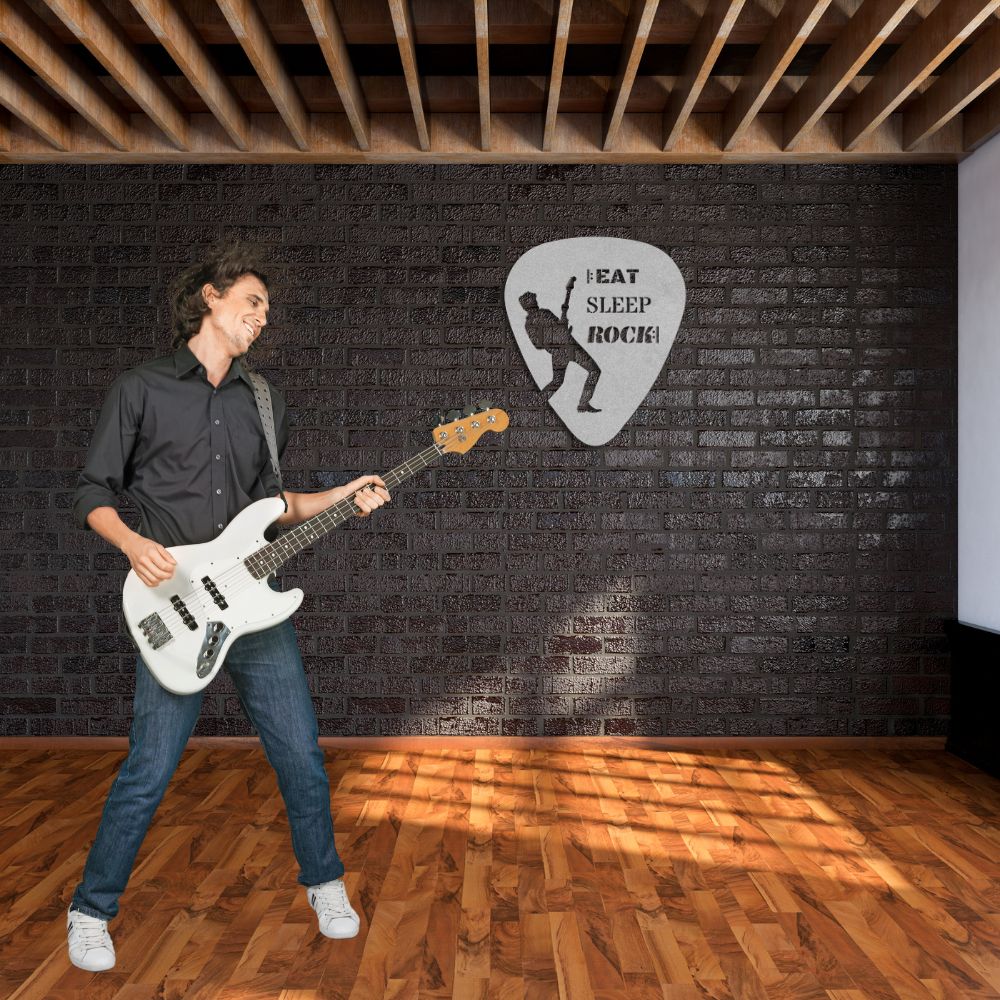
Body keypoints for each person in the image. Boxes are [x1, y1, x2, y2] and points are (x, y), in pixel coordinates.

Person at [66, 244, 390, 973]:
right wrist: (129, 543)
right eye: (252, 302)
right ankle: (90, 911)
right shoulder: (142, 388)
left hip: (253, 610)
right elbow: (89, 491)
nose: (261, 318)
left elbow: (273, 512)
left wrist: (344, 495)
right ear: (211, 297)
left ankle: (325, 884)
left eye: (267, 310)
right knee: (149, 768)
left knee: (301, 754)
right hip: (174, 604)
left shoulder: (263, 401)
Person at [518, 276, 602, 412]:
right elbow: (555, 331)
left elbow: (539, 344)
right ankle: (583, 404)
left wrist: (561, 329)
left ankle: (537, 403)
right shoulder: (543, 314)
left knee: (557, 382)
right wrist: (560, 330)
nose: (536, 301)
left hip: (557, 353)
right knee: (594, 371)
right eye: (534, 300)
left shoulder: (529, 324)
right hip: (569, 348)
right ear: (531, 304)